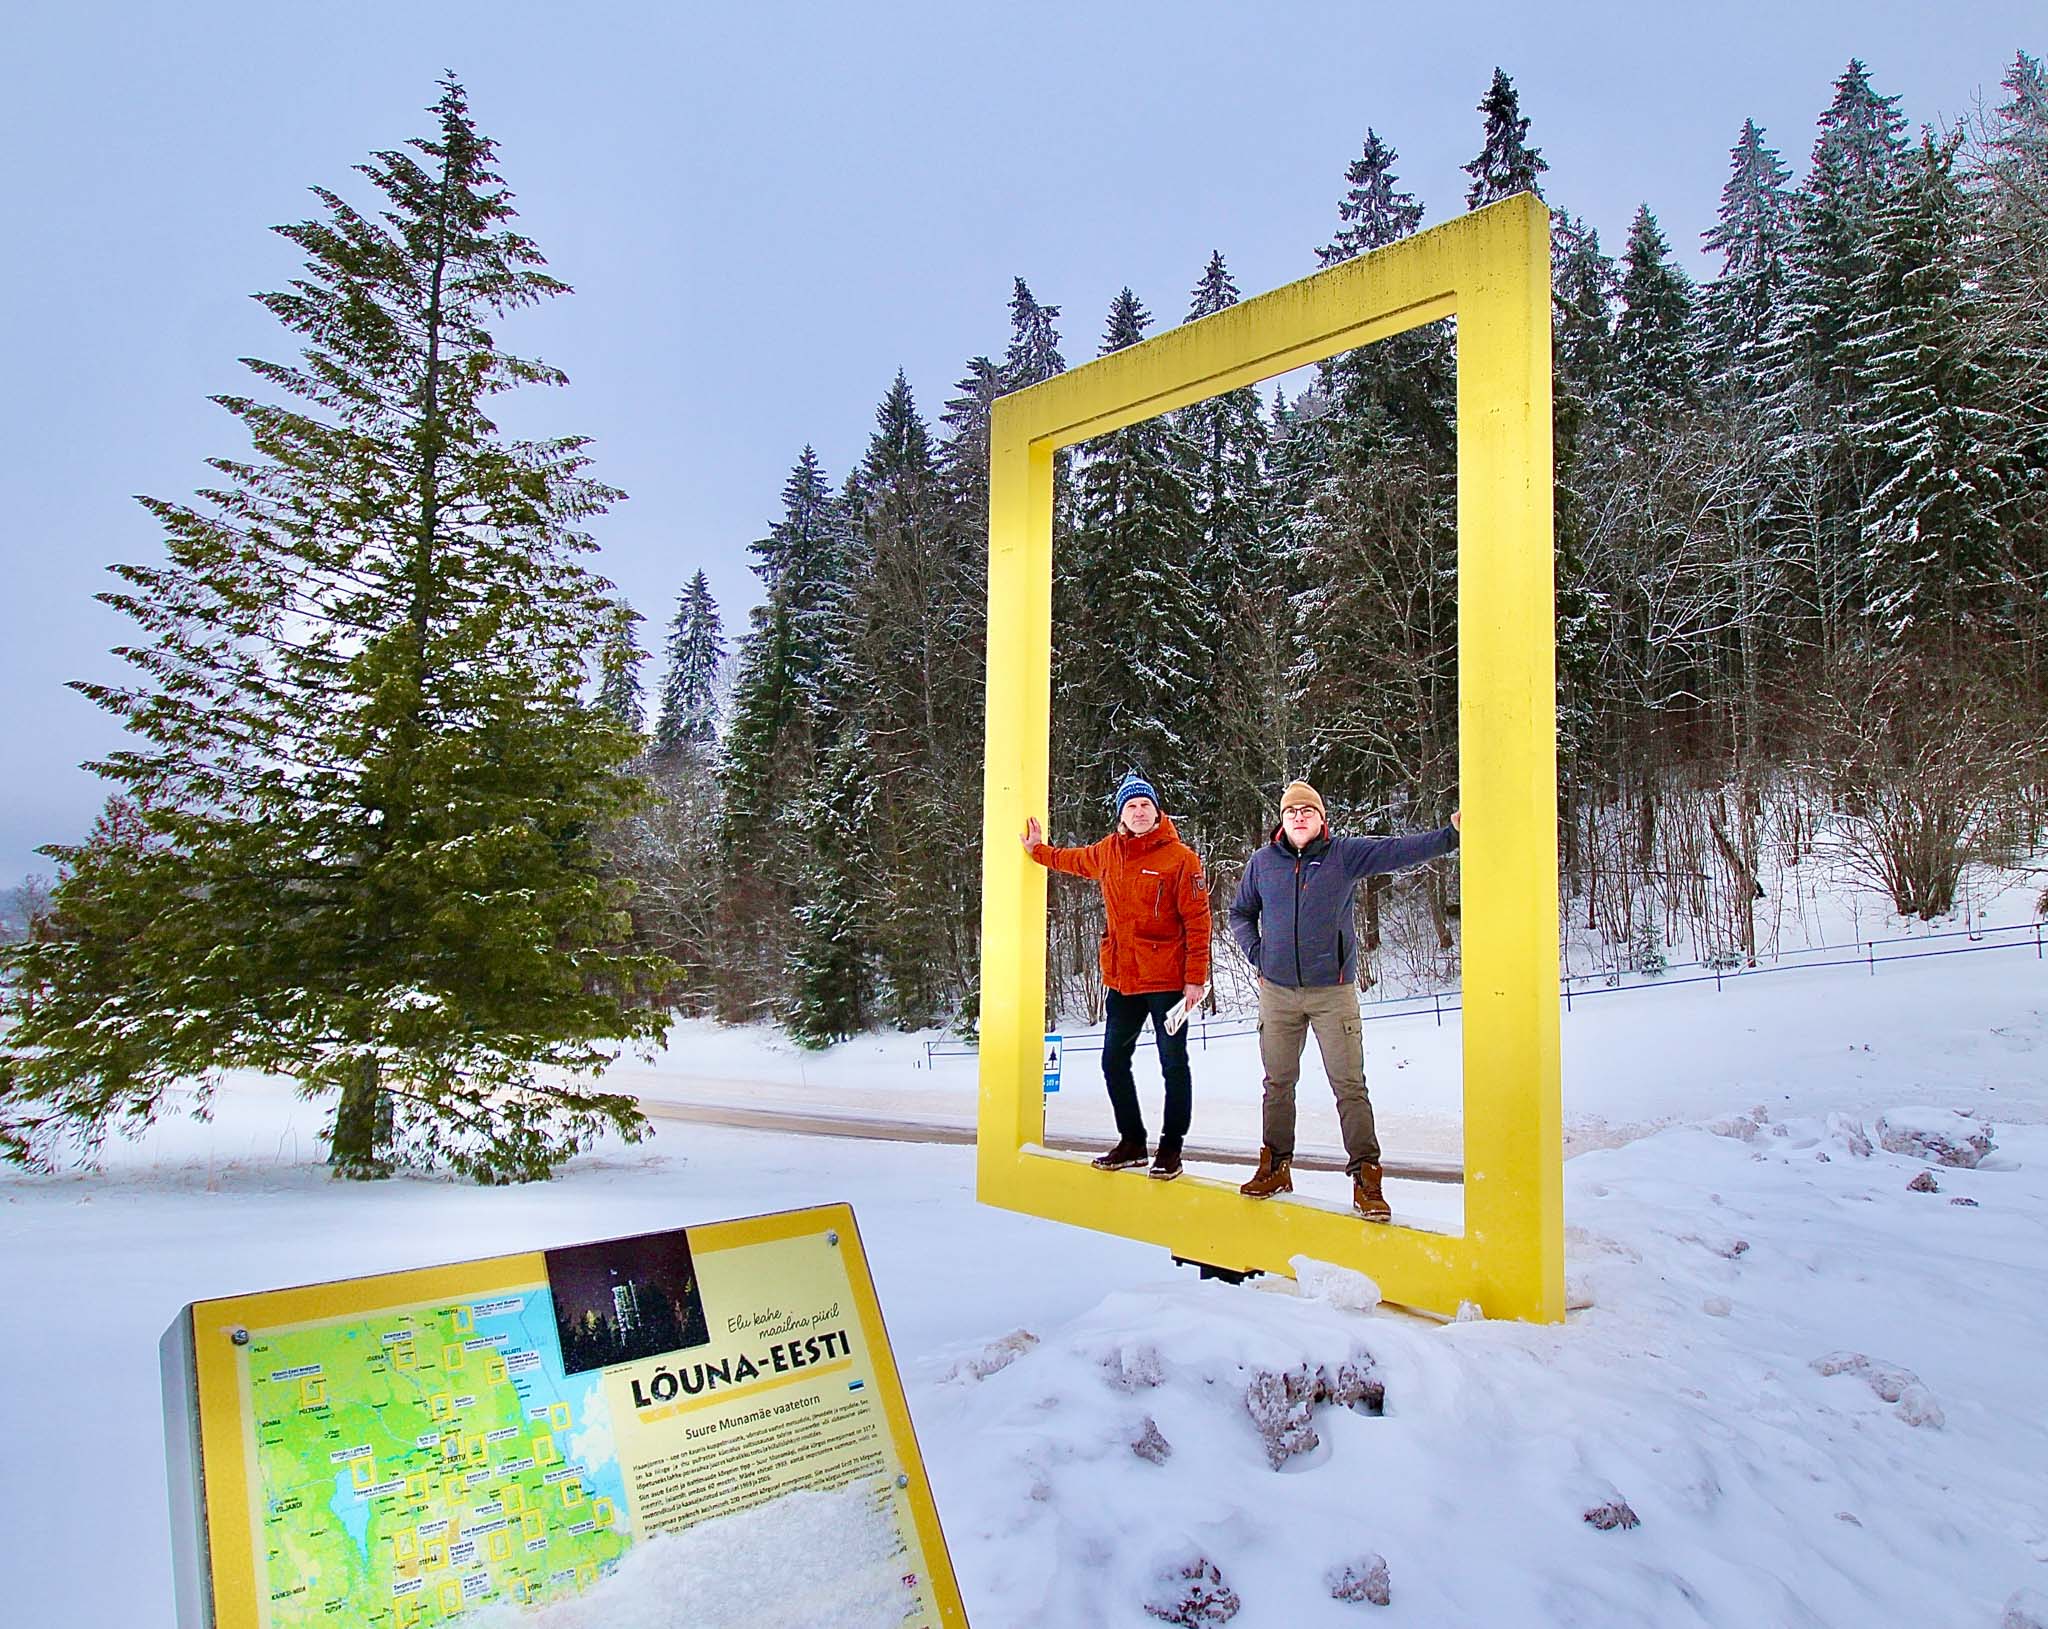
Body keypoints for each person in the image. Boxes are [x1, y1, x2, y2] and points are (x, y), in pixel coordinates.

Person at [1228, 780, 1461, 1220]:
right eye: (1291, 810)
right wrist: (1259, 955)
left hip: (1332, 993)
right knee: (1277, 1084)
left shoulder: (1343, 856)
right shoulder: (1262, 864)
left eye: (1307, 810)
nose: (1299, 816)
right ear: (1282, 819)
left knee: (1349, 1087)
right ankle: (1276, 1166)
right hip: (1277, 994)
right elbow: (1240, 912)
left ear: (1321, 819)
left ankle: (1366, 1179)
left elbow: (1399, 849)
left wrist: (1450, 835)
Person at [1021, 772, 1211, 1180]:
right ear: (1120, 815)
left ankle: (1171, 1148)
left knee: (1173, 1064)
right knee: (1112, 1061)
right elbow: (1071, 860)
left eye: (1145, 805)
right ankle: (1132, 1142)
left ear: (1157, 811)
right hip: (1123, 980)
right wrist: (1038, 852)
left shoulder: (1181, 858)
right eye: (1131, 806)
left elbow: (1198, 921)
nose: (1139, 812)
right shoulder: (1109, 851)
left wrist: (1195, 979)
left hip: (1166, 982)